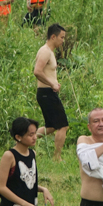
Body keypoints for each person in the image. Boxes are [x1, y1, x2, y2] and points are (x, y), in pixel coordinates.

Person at [33, 24, 68, 162]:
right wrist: (52, 83)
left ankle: (24, 141)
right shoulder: (45, 51)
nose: (63, 40)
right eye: (61, 37)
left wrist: (53, 83)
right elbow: (37, 71)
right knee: (63, 125)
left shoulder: (49, 51)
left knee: (51, 127)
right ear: (53, 36)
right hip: (46, 92)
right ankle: (57, 158)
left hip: (47, 92)